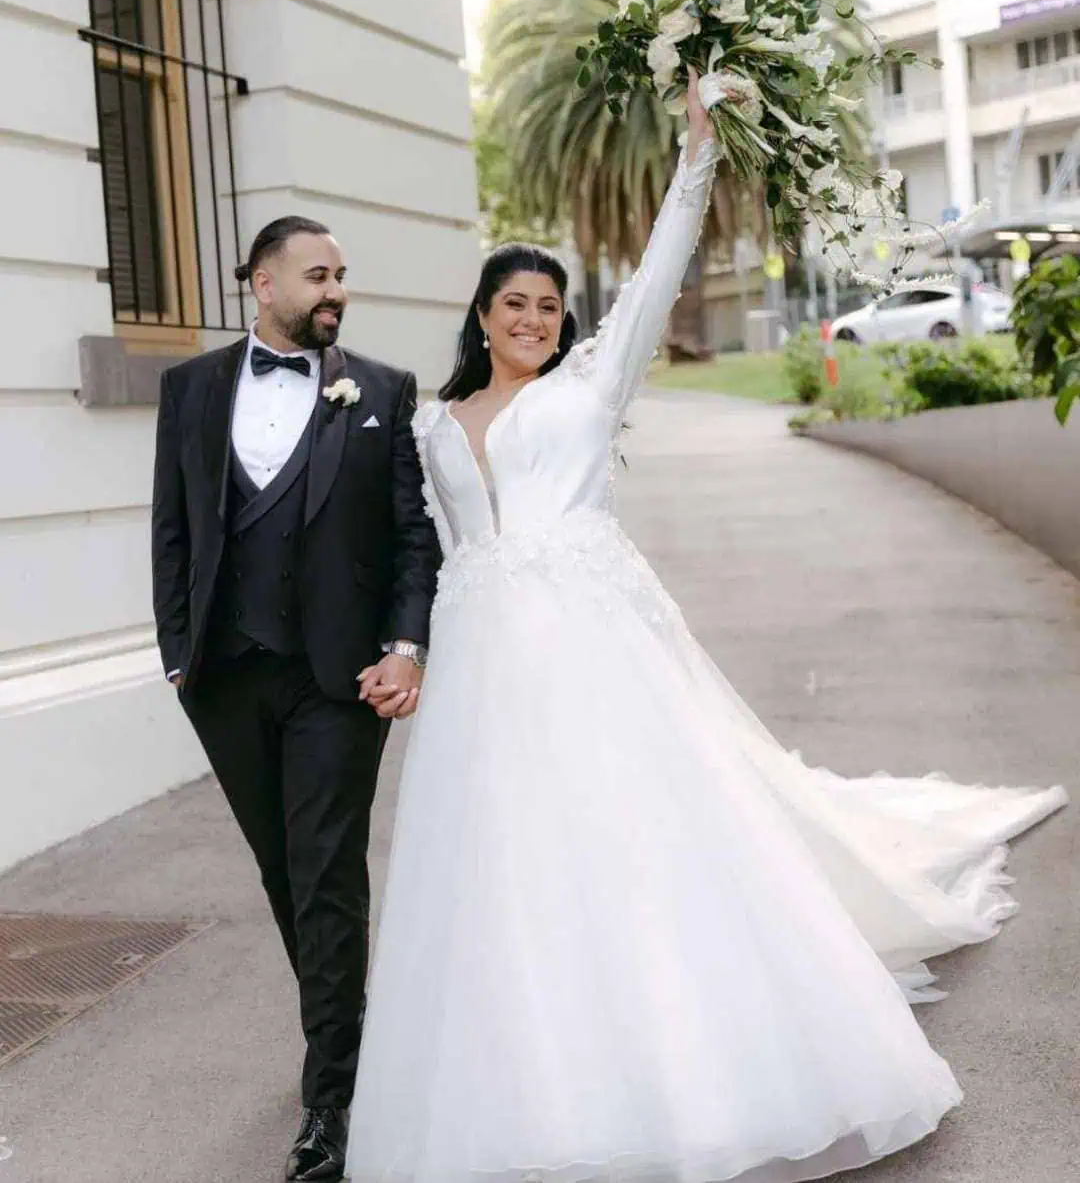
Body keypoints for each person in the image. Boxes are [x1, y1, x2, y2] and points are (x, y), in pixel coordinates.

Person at [343, 72, 1066, 1183]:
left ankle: (678, 1069)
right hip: (484, 665)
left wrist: (697, 154)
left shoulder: (592, 384)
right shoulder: (436, 423)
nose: (533, 320)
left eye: (548, 305)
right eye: (514, 304)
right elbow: (431, 552)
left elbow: (659, 271)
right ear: (480, 316)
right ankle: (529, 1081)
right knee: (498, 865)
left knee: (631, 840)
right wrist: (408, 652)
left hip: (592, 655)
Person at [151, 217, 440, 1182]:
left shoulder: (382, 392)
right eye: (318, 276)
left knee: (325, 873)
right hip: (226, 678)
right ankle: (343, 1032)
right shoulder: (188, 389)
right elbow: (174, 530)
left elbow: (411, 537)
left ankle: (332, 1101)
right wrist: (177, 660)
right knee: (282, 870)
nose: (336, 291)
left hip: (337, 680)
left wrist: (404, 646)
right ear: (261, 282)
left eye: (342, 277)